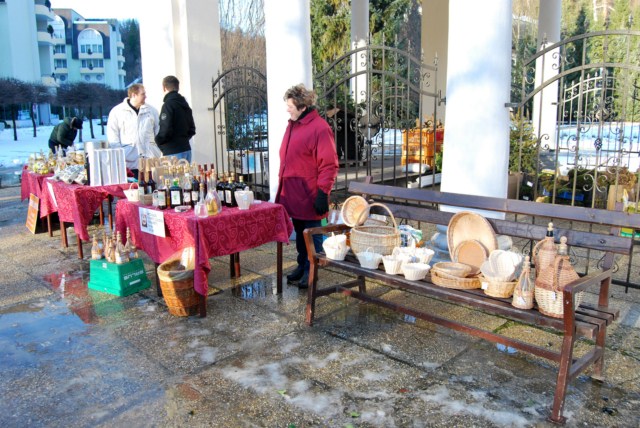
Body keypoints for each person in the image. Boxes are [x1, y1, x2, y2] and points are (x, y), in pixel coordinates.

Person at [275, 84, 339, 289]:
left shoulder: (320, 128)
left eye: (290, 106)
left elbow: (329, 164)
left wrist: (323, 193)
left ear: (303, 107)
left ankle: (312, 270)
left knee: (312, 235)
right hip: (294, 193)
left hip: (310, 193)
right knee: (300, 233)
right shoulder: (293, 124)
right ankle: (302, 265)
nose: (287, 109)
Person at [106, 84, 161, 176]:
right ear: (134, 95)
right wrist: (120, 154)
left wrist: (156, 149)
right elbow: (113, 135)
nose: (145, 96)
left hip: (150, 159)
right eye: (143, 94)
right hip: (130, 161)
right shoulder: (117, 112)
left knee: (152, 187)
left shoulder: (151, 111)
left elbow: (158, 132)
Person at [155, 75, 196, 162]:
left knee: (173, 176)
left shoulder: (168, 105)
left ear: (164, 88)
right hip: (186, 148)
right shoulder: (185, 104)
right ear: (178, 87)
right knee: (187, 175)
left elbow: (165, 129)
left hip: (172, 151)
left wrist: (158, 141)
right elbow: (192, 129)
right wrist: (182, 139)